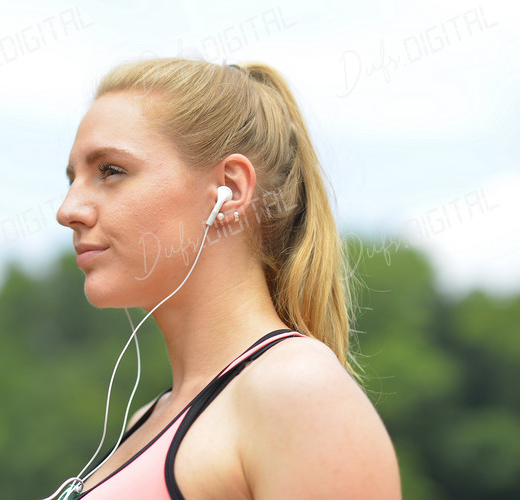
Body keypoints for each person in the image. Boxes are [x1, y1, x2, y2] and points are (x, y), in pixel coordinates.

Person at [51, 58, 401, 499]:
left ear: (230, 190)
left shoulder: (297, 392)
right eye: (73, 178)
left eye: (110, 171)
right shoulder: (147, 418)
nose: (68, 210)